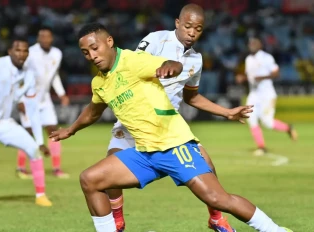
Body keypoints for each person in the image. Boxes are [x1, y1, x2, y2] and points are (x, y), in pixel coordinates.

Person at [50, 22, 293, 232]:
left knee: (218, 198)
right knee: (90, 180)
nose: (92, 55)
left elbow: (171, 64)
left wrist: (170, 68)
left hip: (174, 146)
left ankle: (274, 229)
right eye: (85, 52)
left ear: (109, 41)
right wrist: (70, 130)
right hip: (144, 153)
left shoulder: (133, 61)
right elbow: (93, 111)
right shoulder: (99, 83)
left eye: (95, 48)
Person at [106, 4, 249, 232]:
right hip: (135, 119)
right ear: (177, 23)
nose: (192, 32)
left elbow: (191, 97)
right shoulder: (155, 40)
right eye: (188, 26)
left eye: (198, 28)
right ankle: (117, 220)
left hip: (168, 125)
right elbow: (130, 66)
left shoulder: (196, 60)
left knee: (208, 166)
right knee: (109, 171)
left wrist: (227, 112)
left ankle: (216, 218)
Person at [0, 37, 52, 207]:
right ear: (9, 51)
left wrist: (39, 141)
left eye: (25, 50)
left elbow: (33, 110)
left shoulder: (28, 75)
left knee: (34, 150)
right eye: (18, 50)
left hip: (4, 123)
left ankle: (41, 195)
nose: (21, 54)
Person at [16, 26, 70, 179]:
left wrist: (61, 94)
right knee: (28, 132)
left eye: (48, 36)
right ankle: (20, 168)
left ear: (51, 38)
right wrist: (20, 99)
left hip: (45, 98)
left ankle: (56, 168)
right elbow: (20, 75)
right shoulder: (30, 53)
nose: (45, 39)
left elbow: (54, 76)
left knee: (53, 130)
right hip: (28, 98)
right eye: (42, 36)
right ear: (38, 38)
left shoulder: (57, 53)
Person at [236, 37, 298, 156]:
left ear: (260, 45)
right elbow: (250, 76)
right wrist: (242, 78)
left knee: (267, 123)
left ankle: (288, 128)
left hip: (267, 94)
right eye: (250, 43)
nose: (252, 45)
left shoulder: (266, 57)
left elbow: (276, 72)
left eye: (255, 43)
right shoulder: (248, 59)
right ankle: (261, 146)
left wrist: (262, 77)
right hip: (254, 94)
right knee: (250, 118)